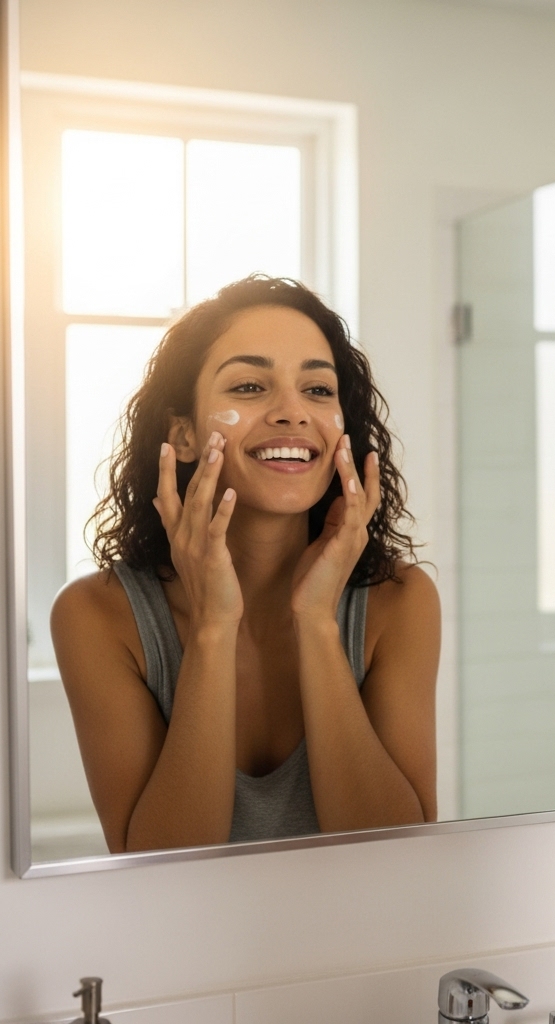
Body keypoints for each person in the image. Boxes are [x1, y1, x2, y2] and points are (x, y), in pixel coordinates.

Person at [51, 276, 440, 853]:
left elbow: (399, 855)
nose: (292, 413)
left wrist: (314, 621)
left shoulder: (401, 600)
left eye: (318, 389)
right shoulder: (96, 616)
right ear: (181, 433)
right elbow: (161, 868)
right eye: (251, 385)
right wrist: (213, 628)